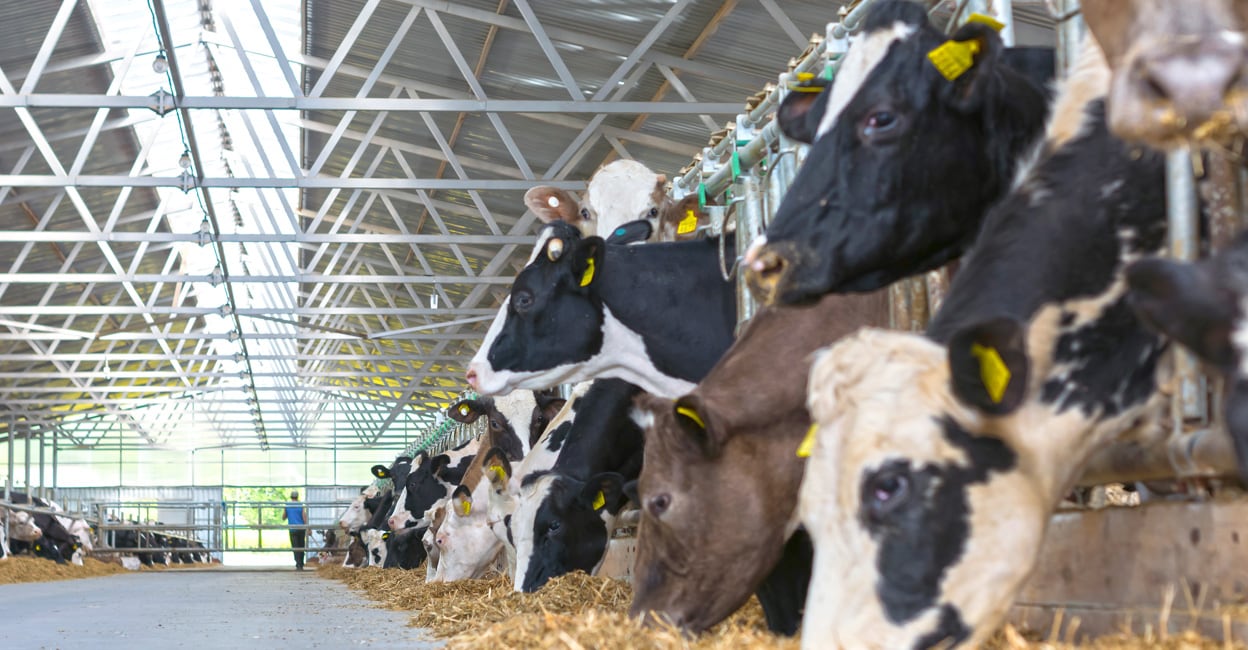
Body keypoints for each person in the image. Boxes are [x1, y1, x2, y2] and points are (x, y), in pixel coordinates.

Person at [282, 490, 309, 570]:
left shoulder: (287, 505)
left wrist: (287, 512)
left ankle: (298, 564)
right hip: (301, 529)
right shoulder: (301, 505)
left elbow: (283, 517)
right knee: (301, 546)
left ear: (291, 497)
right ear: (297, 497)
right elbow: (304, 517)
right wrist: (308, 527)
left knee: (295, 547)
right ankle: (301, 563)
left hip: (293, 529)